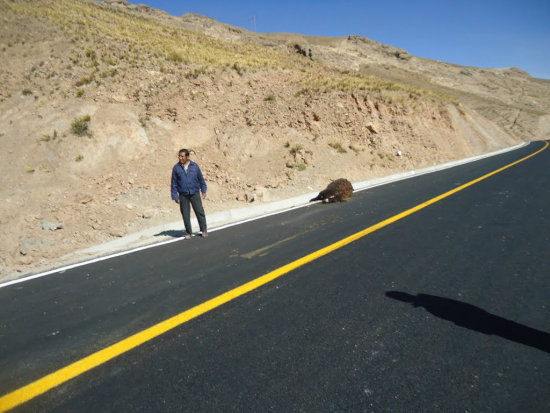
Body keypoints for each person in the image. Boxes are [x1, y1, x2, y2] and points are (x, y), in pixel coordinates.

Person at [171, 149, 208, 239]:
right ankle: (188, 232)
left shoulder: (195, 166)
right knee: (185, 214)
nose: (180, 158)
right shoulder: (176, 168)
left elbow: (201, 179)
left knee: (199, 212)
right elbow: (174, 183)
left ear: (187, 157)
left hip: (194, 193)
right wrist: (175, 196)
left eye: (182, 156)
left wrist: (203, 190)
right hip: (183, 195)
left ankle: (203, 230)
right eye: (179, 156)